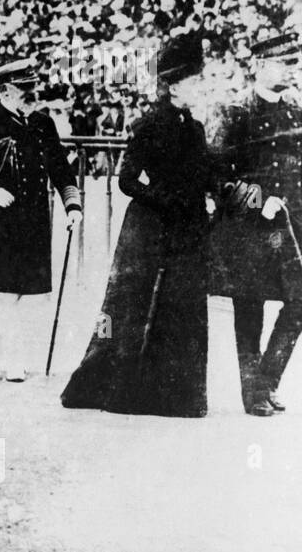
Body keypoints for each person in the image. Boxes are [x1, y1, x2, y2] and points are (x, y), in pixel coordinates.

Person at [62, 31, 216, 417]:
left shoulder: (196, 129)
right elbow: (127, 179)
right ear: (175, 87)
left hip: (187, 229)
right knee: (129, 305)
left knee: (181, 306)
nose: (201, 88)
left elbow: (203, 174)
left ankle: (174, 398)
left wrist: (213, 194)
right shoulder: (149, 125)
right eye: (195, 82)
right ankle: (118, 389)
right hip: (149, 229)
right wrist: (165, 200)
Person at [0, 57, 83, 381]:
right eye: (24, 90)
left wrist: (73, 205)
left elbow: (60, 168)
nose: (31, 95)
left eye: (31, 89)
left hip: (31, 221)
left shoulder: (42, 123)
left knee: (13, 291)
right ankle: (14, 359)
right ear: (5, 91)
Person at [209, 29, 302, 416]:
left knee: (300, 303)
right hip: (249, 230)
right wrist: (258, 200)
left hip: (292, 230)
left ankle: (266, 381)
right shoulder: (236, 115)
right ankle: (253, 395)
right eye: (283, 63)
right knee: (249, 310)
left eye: (293, 63)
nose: (291, 70)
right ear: (262, 67)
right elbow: (215, 179)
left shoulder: (298, 114)